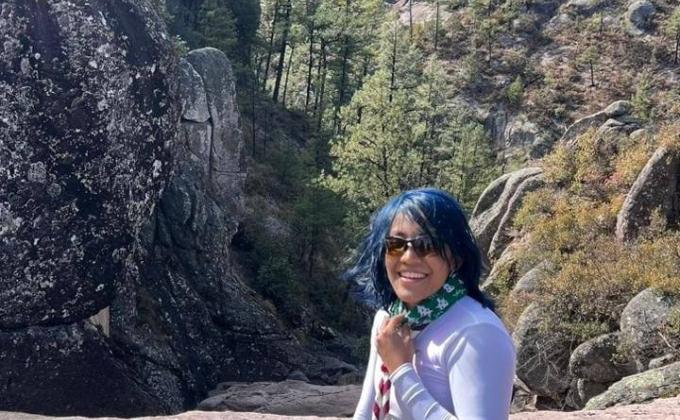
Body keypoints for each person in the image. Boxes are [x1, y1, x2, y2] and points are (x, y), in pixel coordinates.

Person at [348, 188, 515, 420]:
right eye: (396, 244)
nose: (408, 257)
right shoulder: (388, 320)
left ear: (457, 257)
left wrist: (401, 371)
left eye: (427, 245)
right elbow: (366, 413)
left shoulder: (477, 333)